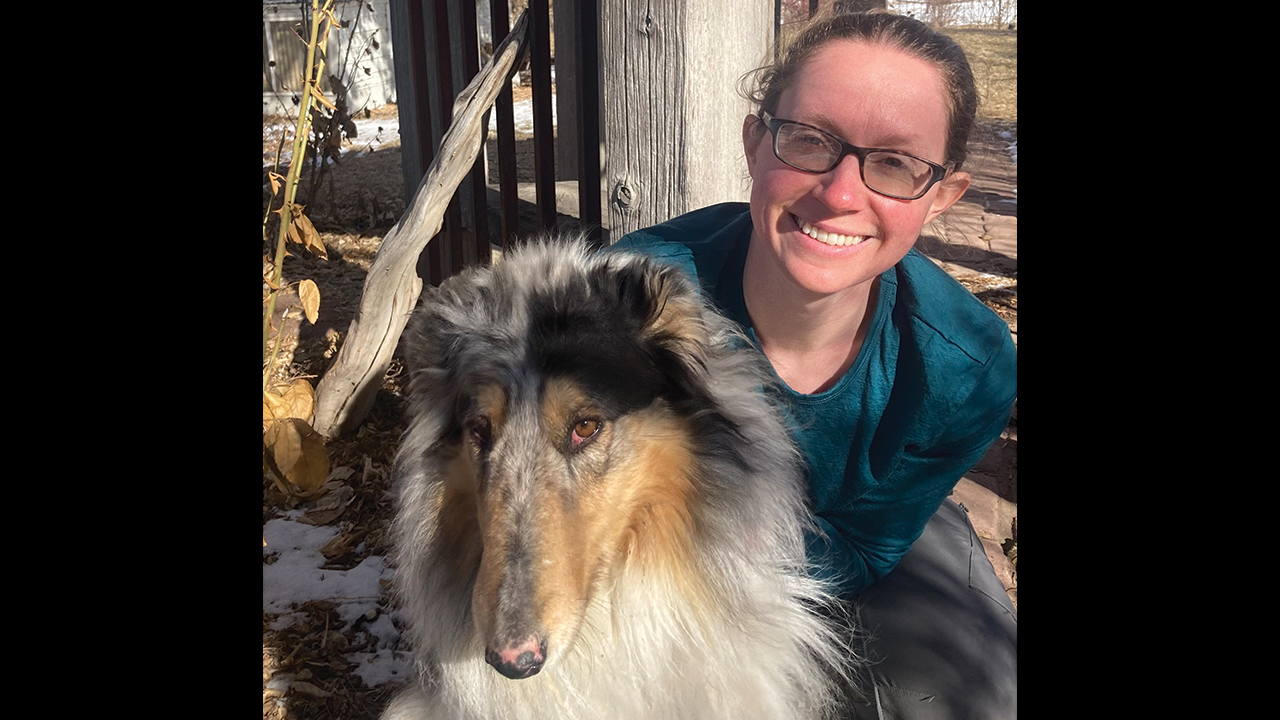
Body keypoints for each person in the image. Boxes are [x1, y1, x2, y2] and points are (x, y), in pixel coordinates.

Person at [609, 10, 1017, 720]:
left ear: (943, 195)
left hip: (851, 531)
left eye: (896, 163)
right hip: (651, 555)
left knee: (971, 690)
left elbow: (865, 543)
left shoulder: (967, 369)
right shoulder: (625, 304)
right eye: (810, 140)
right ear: (754, 144)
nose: (839, 194)